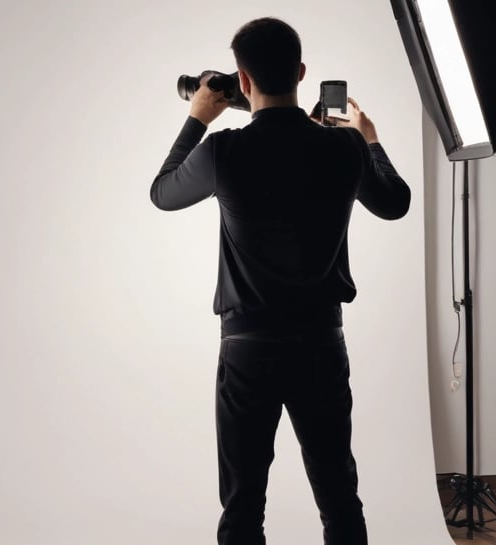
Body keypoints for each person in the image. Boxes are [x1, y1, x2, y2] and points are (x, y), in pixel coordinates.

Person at [149, 17, 411, 545]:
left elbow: (163, 191)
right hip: (320, 343)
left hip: (248, 348)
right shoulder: (344, 148)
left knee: (244, 504)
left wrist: (199, 118)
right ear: (301, 73)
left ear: (242, 82)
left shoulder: (223, 151)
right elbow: (396, 202)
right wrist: (370, 140)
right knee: (339, 495)